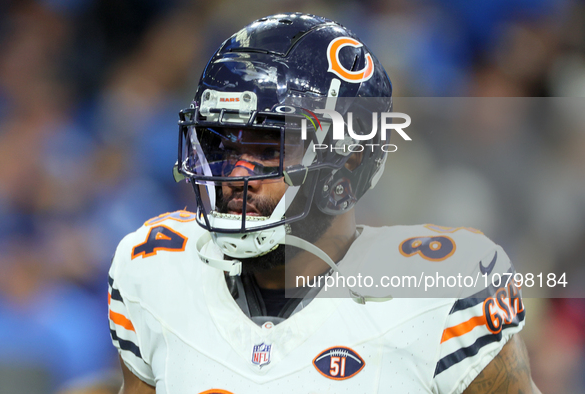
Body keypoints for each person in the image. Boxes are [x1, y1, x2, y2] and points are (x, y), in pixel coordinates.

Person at [108, 13, 541, 393]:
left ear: (347, 160)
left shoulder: (443, 296)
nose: (235, 176)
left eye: (267, 148)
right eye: (219, 144)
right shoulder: (154, 269)